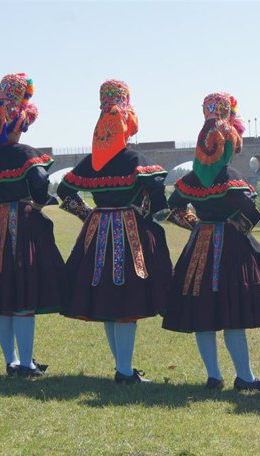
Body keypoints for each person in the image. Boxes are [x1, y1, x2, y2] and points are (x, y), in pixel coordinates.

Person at [57, 79, 172, 384]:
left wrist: (87, 214)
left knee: (109, 301)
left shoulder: (90, 163)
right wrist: (143, 212)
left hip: (96, 233)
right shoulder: (135, 160)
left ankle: (122, 367)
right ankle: (123, 370)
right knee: (126, 300)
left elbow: (64, 190)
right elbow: (158, 196)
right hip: (128, 233)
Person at [162, 92, 260, 392]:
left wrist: (196, 226)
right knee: (232, 315)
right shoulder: (232, 177)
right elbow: (252, 214)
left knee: (203, 313)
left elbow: (172, 209)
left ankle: (213, 376)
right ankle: (246, 377)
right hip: (232, 250)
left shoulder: (191, 179)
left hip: (199, 245)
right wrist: (237, 228)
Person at [0, 73, 64, 377]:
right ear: (20, 122)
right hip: (23, 223)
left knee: (0, 293)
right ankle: (27, 362)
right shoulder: (24, 153)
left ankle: (11, 360)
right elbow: (41, 184)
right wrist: (41, 203)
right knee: (23, 290)